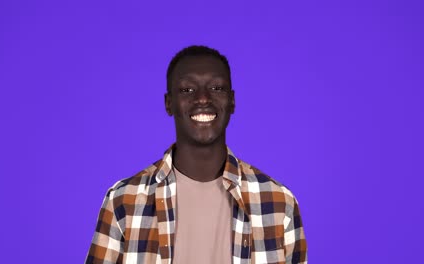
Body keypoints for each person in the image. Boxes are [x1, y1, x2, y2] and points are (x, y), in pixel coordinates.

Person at [86, 45, 307, 264]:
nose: (203, 99)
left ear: (232, 101)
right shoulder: (123, 201)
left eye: (217, 88)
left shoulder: (279, 202)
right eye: (187, 90)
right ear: (168, 103)